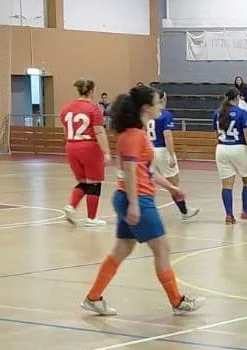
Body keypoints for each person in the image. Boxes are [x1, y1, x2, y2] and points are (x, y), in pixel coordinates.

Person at [78, 85, 203, 317]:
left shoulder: (138, 133)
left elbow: (147, 171)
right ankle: (177, 301)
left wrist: (172, 188)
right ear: (146, 107)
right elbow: (130, 171)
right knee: (163, 249)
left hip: (131, 197)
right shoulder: (133, 136)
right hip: (137, 200)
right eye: (157, 102)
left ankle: (93, 298)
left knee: (122, 249)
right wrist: (135, 204)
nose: (160, 106)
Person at [59, 78, 111, 229]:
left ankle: (71, 206)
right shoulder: (93, 109)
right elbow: (99, 131)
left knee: (83, 181)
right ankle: (91, 218)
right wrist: (106, 151)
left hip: (71, 145)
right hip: (88, 147)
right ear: (91, 91)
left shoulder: (66, 108)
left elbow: (65, 130)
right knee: (94, 182)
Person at [147, 92, 199, 220]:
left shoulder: (147, 114)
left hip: (149, 150)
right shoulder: (165, 114)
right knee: (173, 184)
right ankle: (184, 211)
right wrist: (171, 155)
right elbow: (167, 135)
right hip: (162, 151)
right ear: (163, 99)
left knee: (149, 182)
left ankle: (147, 211)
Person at [214, 89, 247, 224]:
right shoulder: (242, 113)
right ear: (238, 97)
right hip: (239, 147)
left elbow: (216, 133)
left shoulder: (217, 113)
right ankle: (245, 211)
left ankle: (228, 215)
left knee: (226, 185)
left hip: (221, 148)